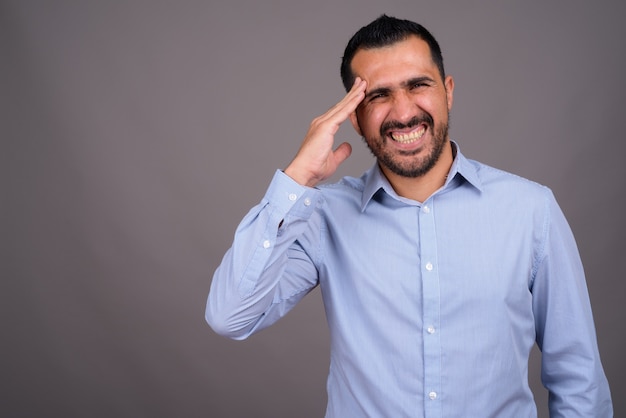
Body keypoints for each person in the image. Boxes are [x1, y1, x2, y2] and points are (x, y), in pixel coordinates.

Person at [206, 15, 613, 417]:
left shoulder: (531, 211)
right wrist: (296, 179)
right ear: (354, 117)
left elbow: (578, 379)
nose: (402, 113)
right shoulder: (320, 218)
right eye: (378, 95)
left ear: (448, 91)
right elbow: (230, 317)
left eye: (418, 85)